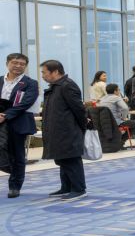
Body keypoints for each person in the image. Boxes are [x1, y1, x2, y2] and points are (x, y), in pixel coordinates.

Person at [38, 60, 88, 200]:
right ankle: (66, 187)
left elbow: (79, 109)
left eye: (44, 72)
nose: (42, 76)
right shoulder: (55, 87)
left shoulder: (67, 86)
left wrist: (80, 127)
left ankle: (79, 189)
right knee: (62, 159)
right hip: (58, 130)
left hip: (68, 130)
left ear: (55, 72)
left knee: (71, 159)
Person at [1, 53, 39, 199]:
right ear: (7, 63)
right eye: (15, 62)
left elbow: (25, 103)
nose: (18, 66)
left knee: (17, 155)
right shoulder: (0, 80)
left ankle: (15, 186)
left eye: (22, 64)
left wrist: (5, 115)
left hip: (18, 122)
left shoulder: (30, 83)